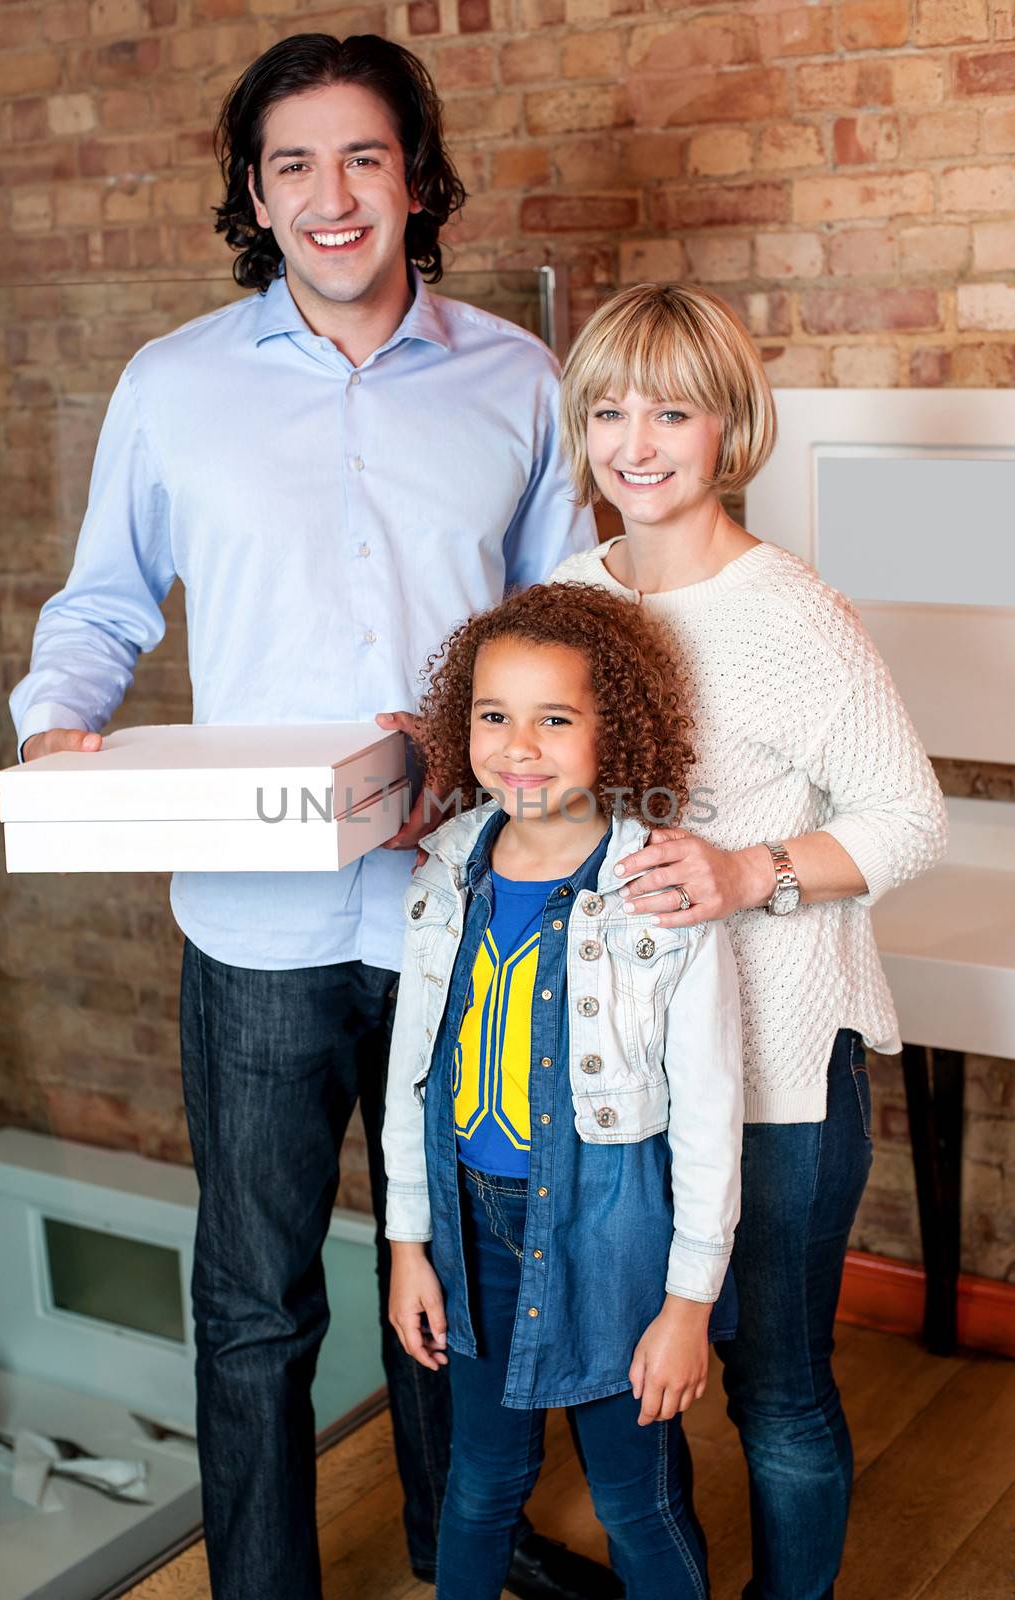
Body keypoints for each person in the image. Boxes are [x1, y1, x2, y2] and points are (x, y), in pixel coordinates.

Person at [7, 33, 605, 1600]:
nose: (330, 196)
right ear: (254, 198)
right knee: (259, 1297)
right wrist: (60, 722)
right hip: (256, 927)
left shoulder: (518, 380)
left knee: (458, 1266)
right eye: (292, 166)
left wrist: (485, 762)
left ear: (416, 179)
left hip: (458, 912)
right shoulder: (173, 386)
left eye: (361, 158)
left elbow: (571, 624)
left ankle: (455, 1539)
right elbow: (101, 603)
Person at [550, 282, 949, 1600]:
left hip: (777, 1069)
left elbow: (909, 823)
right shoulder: (563, 597)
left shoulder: (791, 617)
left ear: (730, 426)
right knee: (630, 1373)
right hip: (615, 1077)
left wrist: (746, 873)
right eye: (609, 409)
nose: (637, 442)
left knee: (774, 1385)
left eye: (672, 409)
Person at [382, 583, 745, 1600]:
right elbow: (414, 1073)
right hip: (470, 1227)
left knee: (637, 1497)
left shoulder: (660, 886)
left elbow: (711, 1111)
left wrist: (685, 1307)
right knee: (481, 1479)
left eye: (555, 718)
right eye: (494, 715)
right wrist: (409, 1247)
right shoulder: (448, 867)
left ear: (612, 729)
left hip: (610, 1230)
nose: (519, 746)